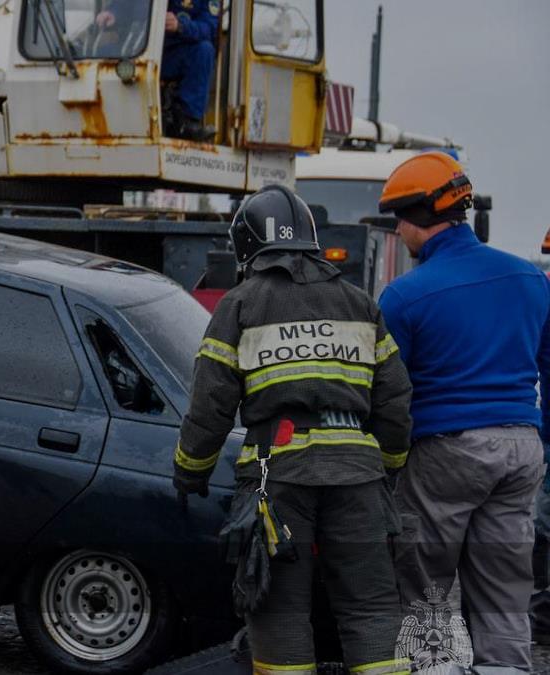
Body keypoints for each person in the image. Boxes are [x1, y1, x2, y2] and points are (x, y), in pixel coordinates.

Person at [173, 184, 413, 675]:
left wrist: (190, 471)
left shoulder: (239, 305)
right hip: (359, 480)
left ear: (246, 245)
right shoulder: (359, 303)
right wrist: (388, 466)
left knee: (280, 610)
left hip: (278, 480)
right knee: (371, 607)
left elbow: (211, 403)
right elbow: (394, 400)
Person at [378, 151, 550, 674]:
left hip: (445, 450)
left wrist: (388, 462)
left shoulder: (404, 296)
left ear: (419, 217)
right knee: (504, 584)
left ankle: (433, 665)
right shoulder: (531, 279)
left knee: (425, 581)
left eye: (399, 219)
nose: (399, 231)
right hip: (522, 448)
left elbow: (389, 393)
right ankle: (506, 668)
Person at [97, 0, 218, 140]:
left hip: (176, 53)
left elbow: (210, 28)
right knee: (95, 54)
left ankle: (186, 122)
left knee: (204, 50)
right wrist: (113, 13)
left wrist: (181, 26)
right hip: (138, 49)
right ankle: (101, 114)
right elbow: (129, 4)